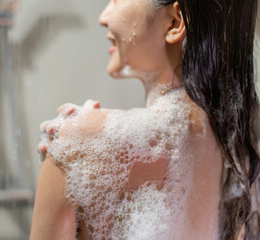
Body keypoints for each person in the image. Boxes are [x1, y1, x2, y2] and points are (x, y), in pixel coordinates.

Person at [30, 0, 260, 239]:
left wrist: (71, 141)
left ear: (174, 22)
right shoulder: (238, 151)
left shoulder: (76, 145)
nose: (104, 16)